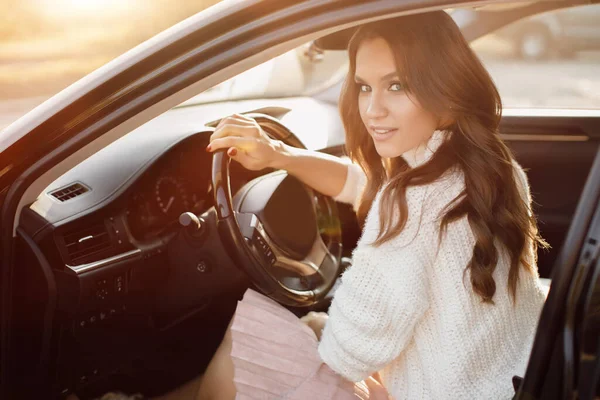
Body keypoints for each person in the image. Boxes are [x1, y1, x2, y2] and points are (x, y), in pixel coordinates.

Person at [85, 10, 548, 400]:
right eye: (365, 87)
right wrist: (279, 157)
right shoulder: (493, 170)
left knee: (248, 338)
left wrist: (319, 323)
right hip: (500, 380)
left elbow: (350, 352)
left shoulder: (412, 203)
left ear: (444, 88)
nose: (372, 110)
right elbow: (360, 183)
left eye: (397, 86)